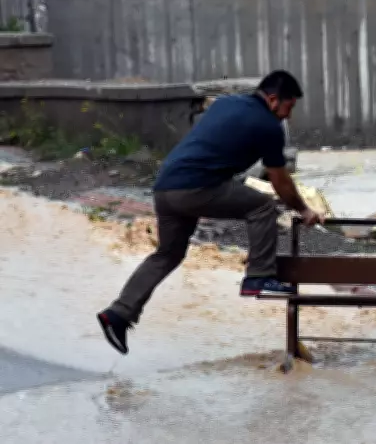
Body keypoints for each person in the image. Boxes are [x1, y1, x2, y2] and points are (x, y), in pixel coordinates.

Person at [96, 70, 324, 355]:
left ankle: (118, 314)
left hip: (165, 187)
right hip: (196, 188)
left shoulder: (227, 103)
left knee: (168, 254)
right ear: (274, 99)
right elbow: (280, 181)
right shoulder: (269, 126)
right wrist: (304, 209)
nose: (287, 117)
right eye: (289, 108)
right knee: (263, 206)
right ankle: (258, 276)